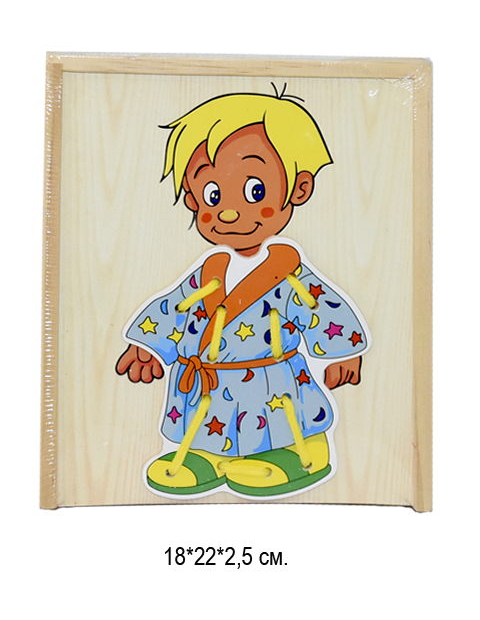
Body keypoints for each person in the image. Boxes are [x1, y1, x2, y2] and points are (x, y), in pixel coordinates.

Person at [116, 91, 370, 499]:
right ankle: (206, 456)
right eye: (213, 197)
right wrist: (148, 346)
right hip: (208, 383)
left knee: (279, 418)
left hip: (271, 383)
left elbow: (320, 308)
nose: (229, 212)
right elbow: (174, 310)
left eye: (254, 191)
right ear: (192, 198)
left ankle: (296, 453)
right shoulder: (208, 274)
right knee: (207, 421)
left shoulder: (288, 276)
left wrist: (343, 352)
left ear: (299, 188)